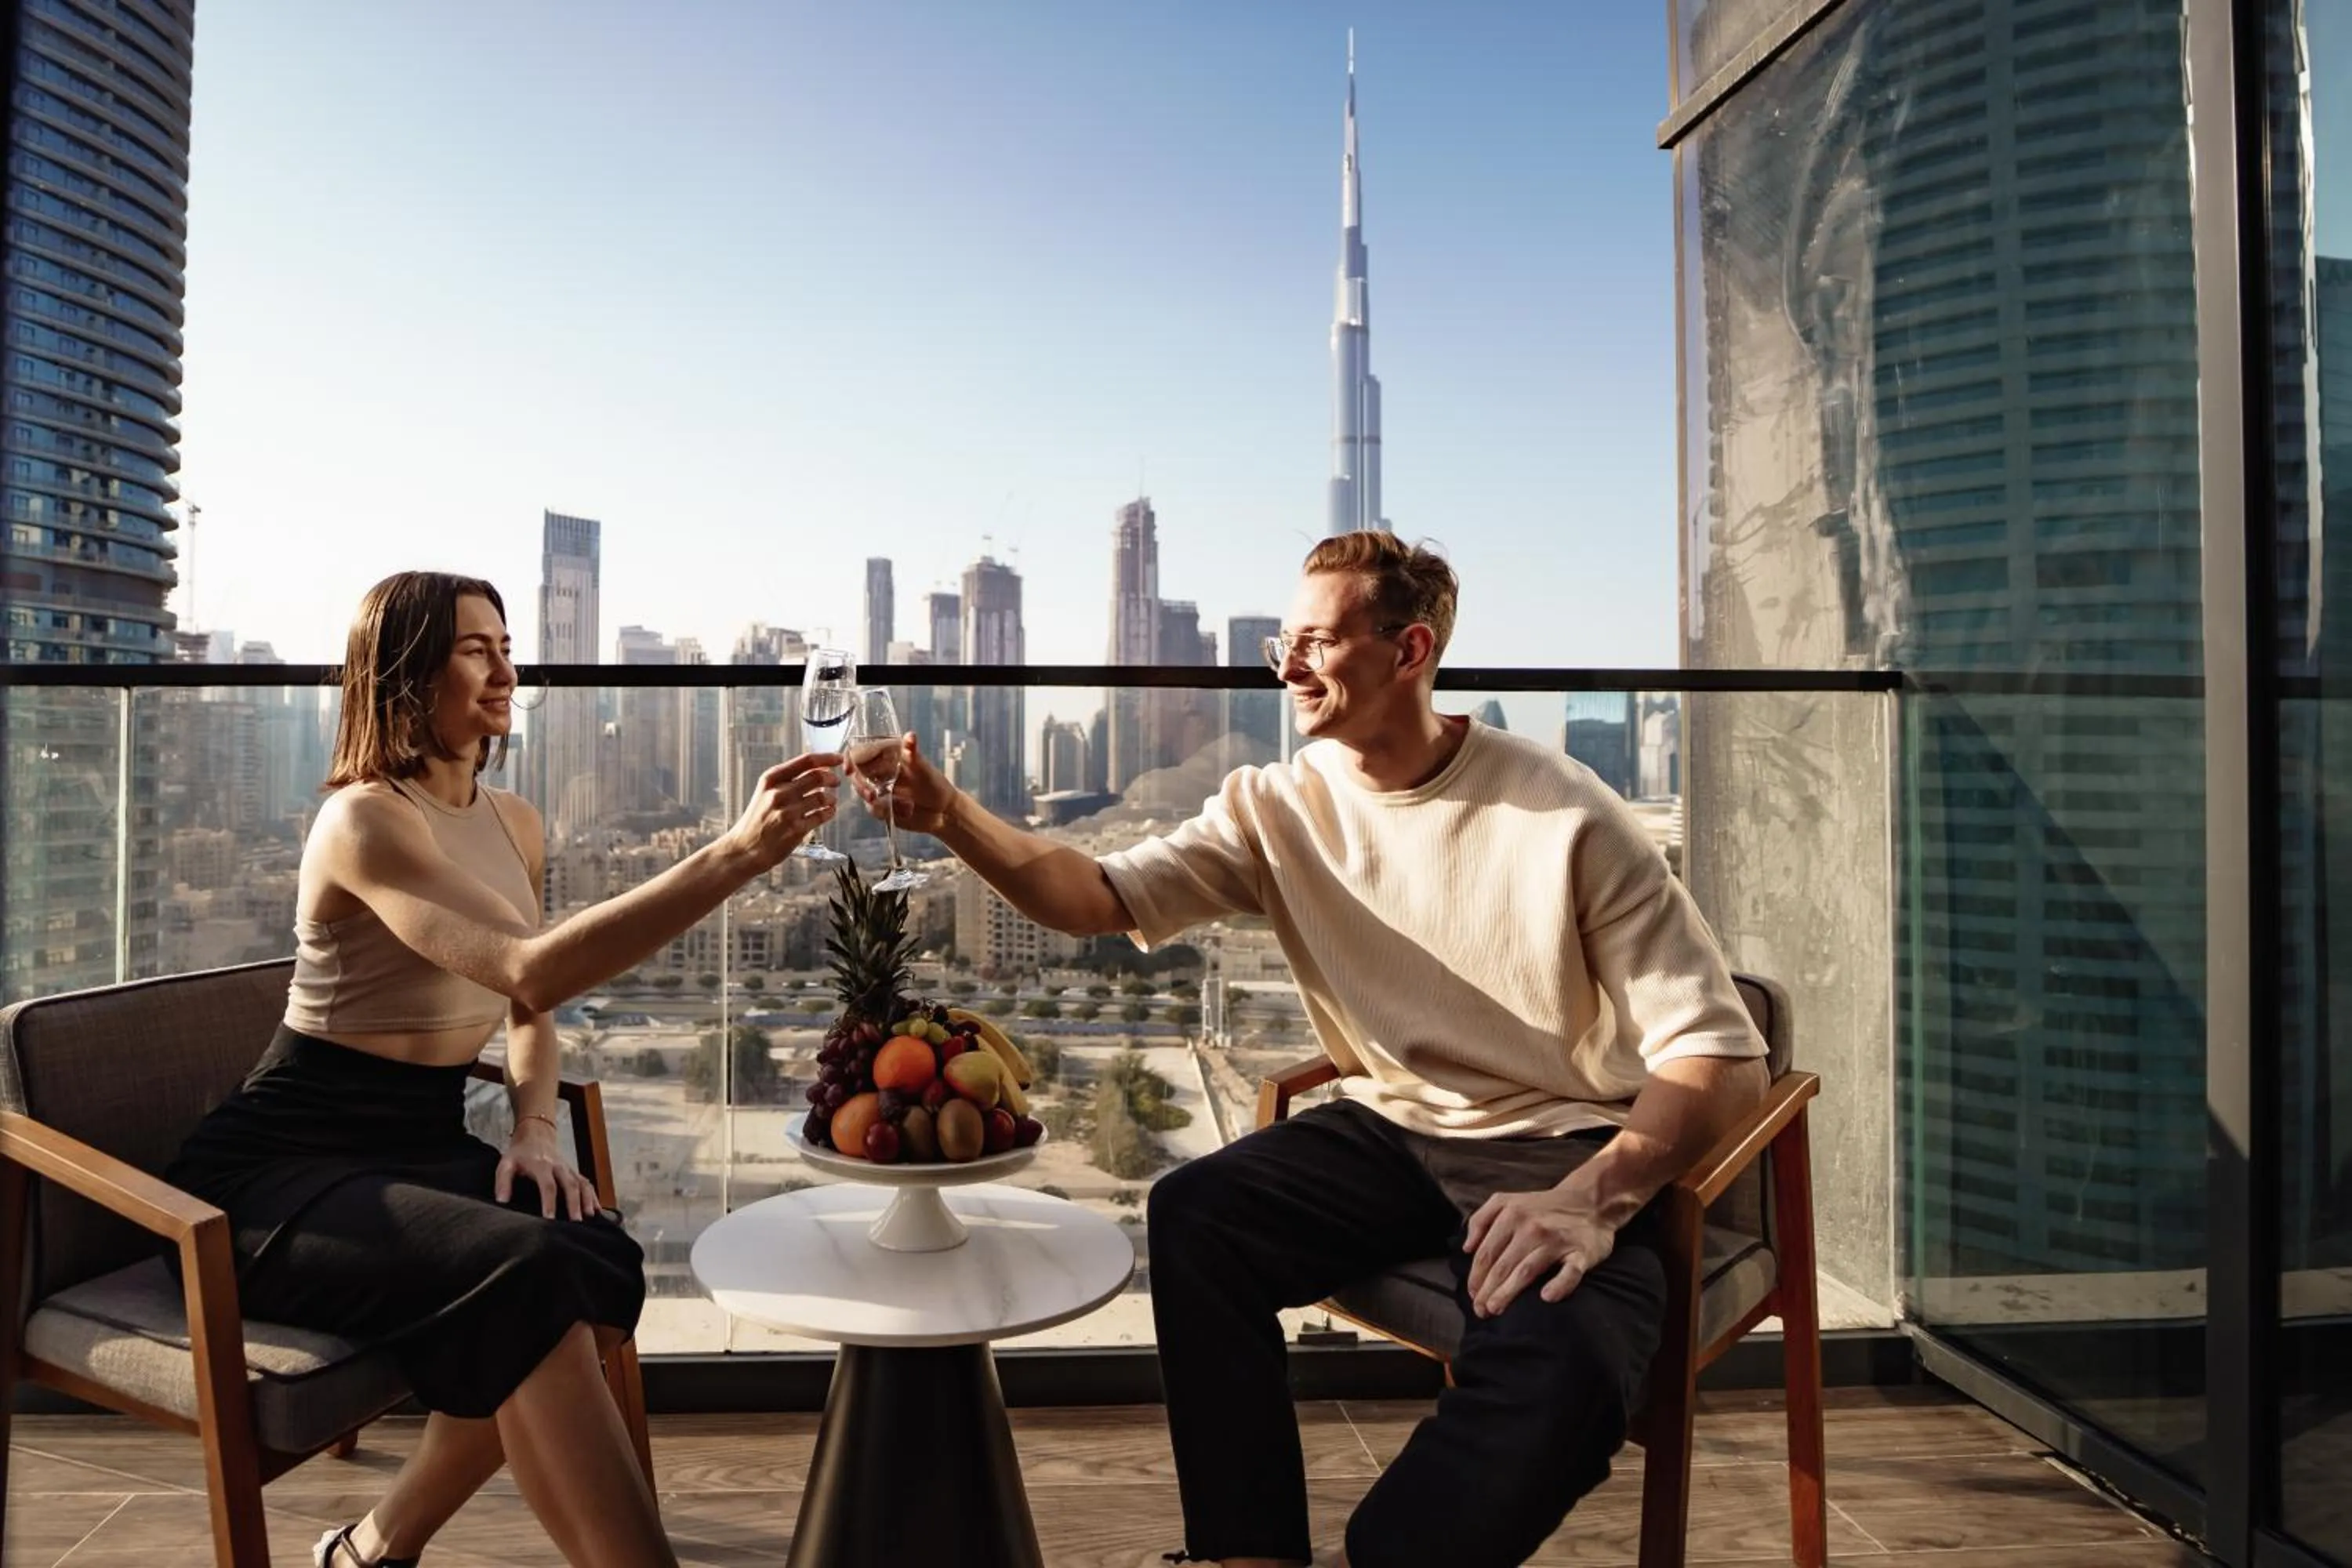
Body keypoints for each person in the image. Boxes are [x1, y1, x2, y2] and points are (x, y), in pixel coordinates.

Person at [853, 532, 1769, 1568]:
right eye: (1283, 644)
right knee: (1198, 1217)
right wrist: (949, 816)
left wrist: (1594, 1199)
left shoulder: (1564, 813)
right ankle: (1247, 1556)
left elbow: (1723, 1057)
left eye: (1317, 643)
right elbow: (1094, 898)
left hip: (1559, 1147)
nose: (1288, 666)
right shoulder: (1276, 807)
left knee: (1574, 1376)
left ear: (1409, 649)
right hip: (1392, 1126)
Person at [165, 572, 841, 1568]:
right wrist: (735, 852)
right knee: (526, 1279)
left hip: (420, 1141)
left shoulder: (516, 821)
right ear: (403, 673)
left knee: (595, 1250)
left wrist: (534, 1126)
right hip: (286, 1163)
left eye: (505, 644)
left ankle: (373, 1546)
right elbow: (533, 964)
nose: (504, 669)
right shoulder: (364, 820)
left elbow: (530, 1008)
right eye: (474, 649)